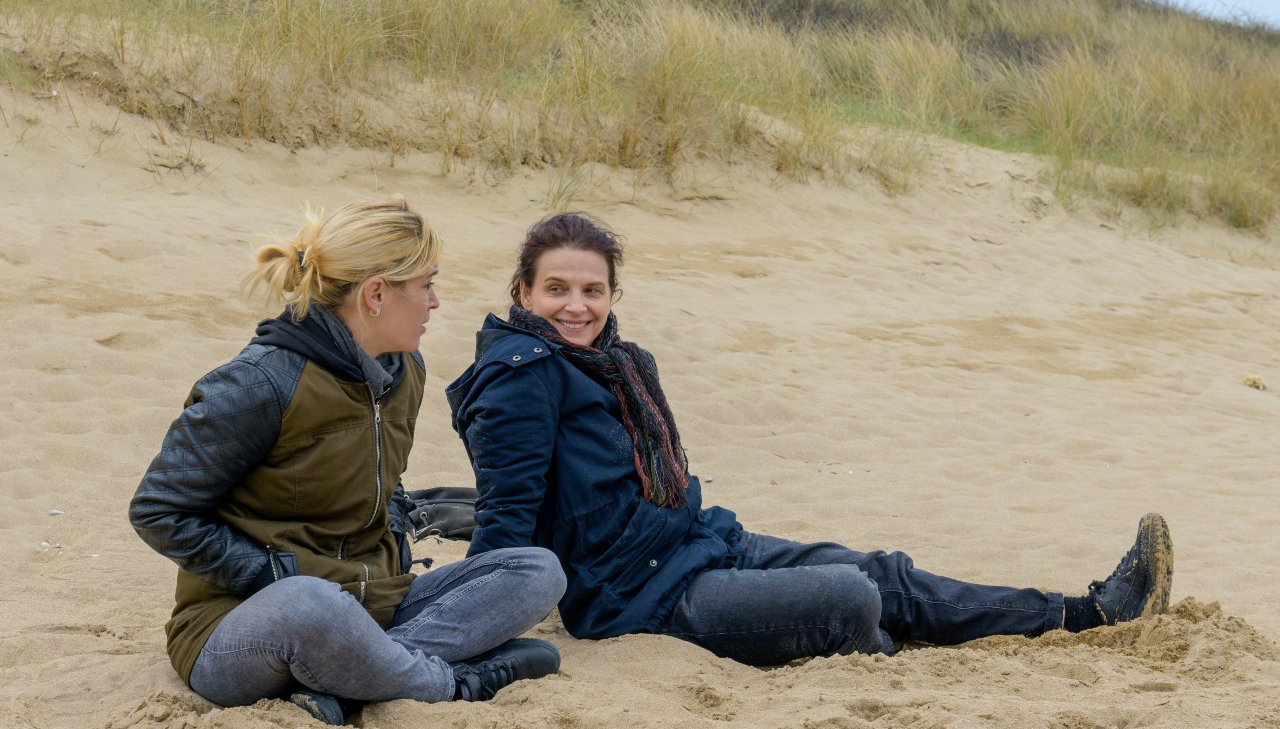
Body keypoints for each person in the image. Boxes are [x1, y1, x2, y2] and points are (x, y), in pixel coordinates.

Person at [445, 212, 1174, 665]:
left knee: (883, 573)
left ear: (612, 296)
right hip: (637, 598)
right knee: (850, 597)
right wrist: (471, 636)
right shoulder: (520, 378)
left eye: (592, 290)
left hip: (699, 542)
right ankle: (875, 645)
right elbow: (506, 517)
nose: (576, 306)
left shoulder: (615, 364)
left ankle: (1085, 614)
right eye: (557, 289)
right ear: (523, 294)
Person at [130, 198, 566, 726]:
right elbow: (158, 510)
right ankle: (450, 683)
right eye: (426, 285)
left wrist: (396, 529)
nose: (435, 301)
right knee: (311, 604)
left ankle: (351, 677)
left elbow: (384, 480)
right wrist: (271, 573)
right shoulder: (258, 382)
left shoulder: (405, 369)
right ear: (376, 294)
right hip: (245, 622)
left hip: (373, 601)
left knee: (537, 570)